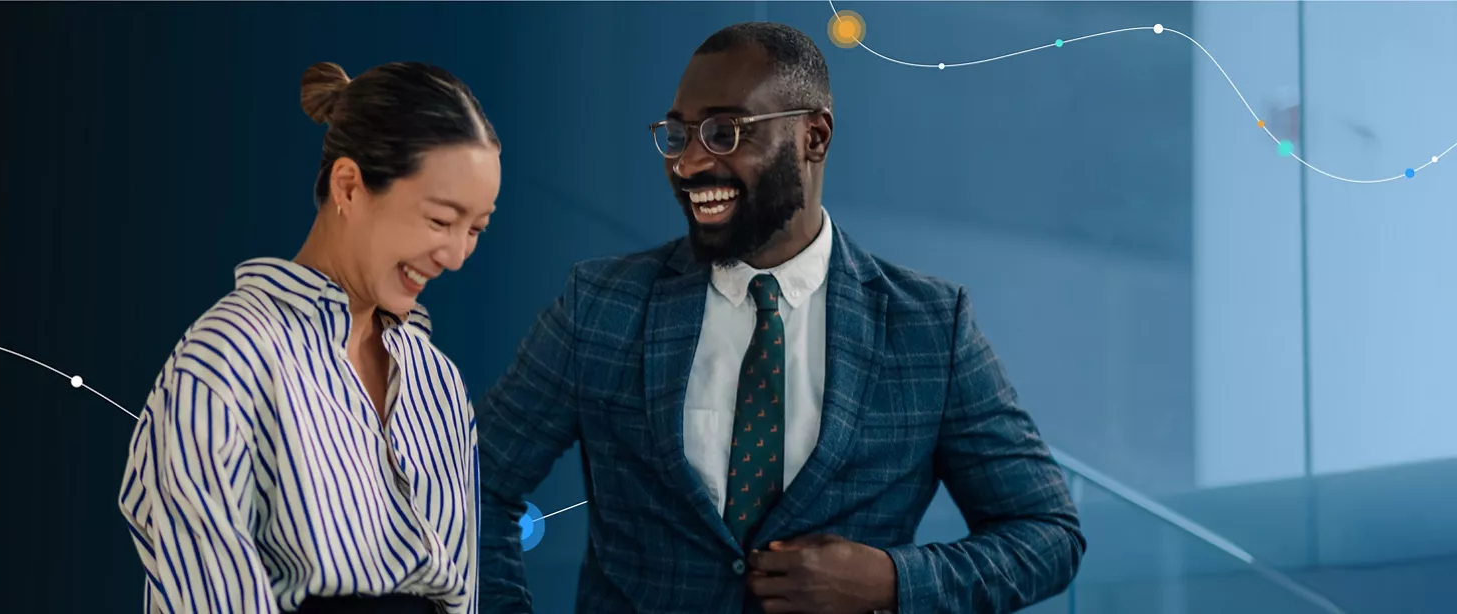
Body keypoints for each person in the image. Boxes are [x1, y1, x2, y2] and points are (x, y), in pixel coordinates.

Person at [476, 22, 1085, 614]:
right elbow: (475, 486)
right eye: (678, 134)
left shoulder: (929, 326)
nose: (688, 164)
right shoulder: (602, 304)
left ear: (814, 137)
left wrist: (894, 583)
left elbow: (1047, 534)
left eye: (723, 132)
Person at [117, 61, 500, 614]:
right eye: (440, 221)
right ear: (348, 186)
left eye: (476, 230)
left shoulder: (436, 380)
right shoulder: (226, 358)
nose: (456, 256)